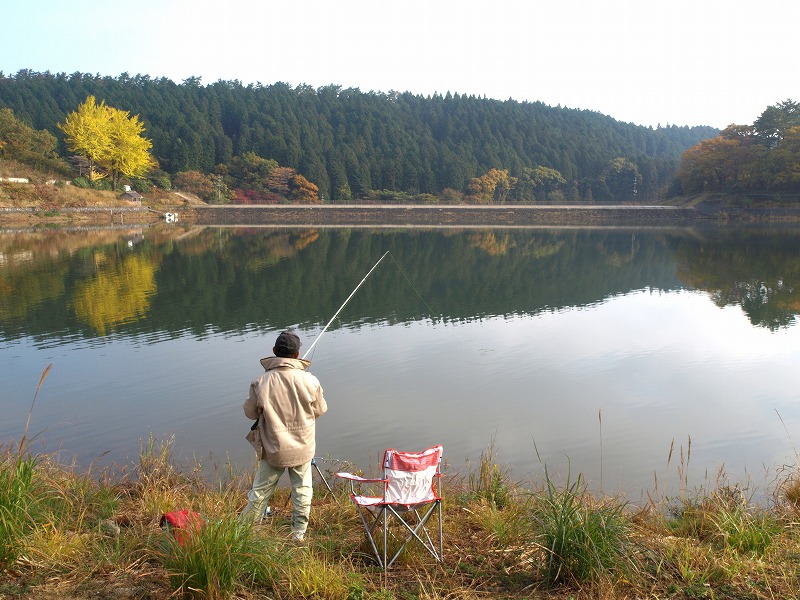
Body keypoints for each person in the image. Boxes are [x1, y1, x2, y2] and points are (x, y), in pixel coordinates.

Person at [240, 331, 327, 541]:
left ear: (273, 352)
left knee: (260, 491)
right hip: (303, 448)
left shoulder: (259, 382)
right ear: (297, 354)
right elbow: (321, 409)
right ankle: (298, 533)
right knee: (302, 489)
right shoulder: (311, 381)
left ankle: (246, 530)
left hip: (273, 448)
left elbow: (250, 413)